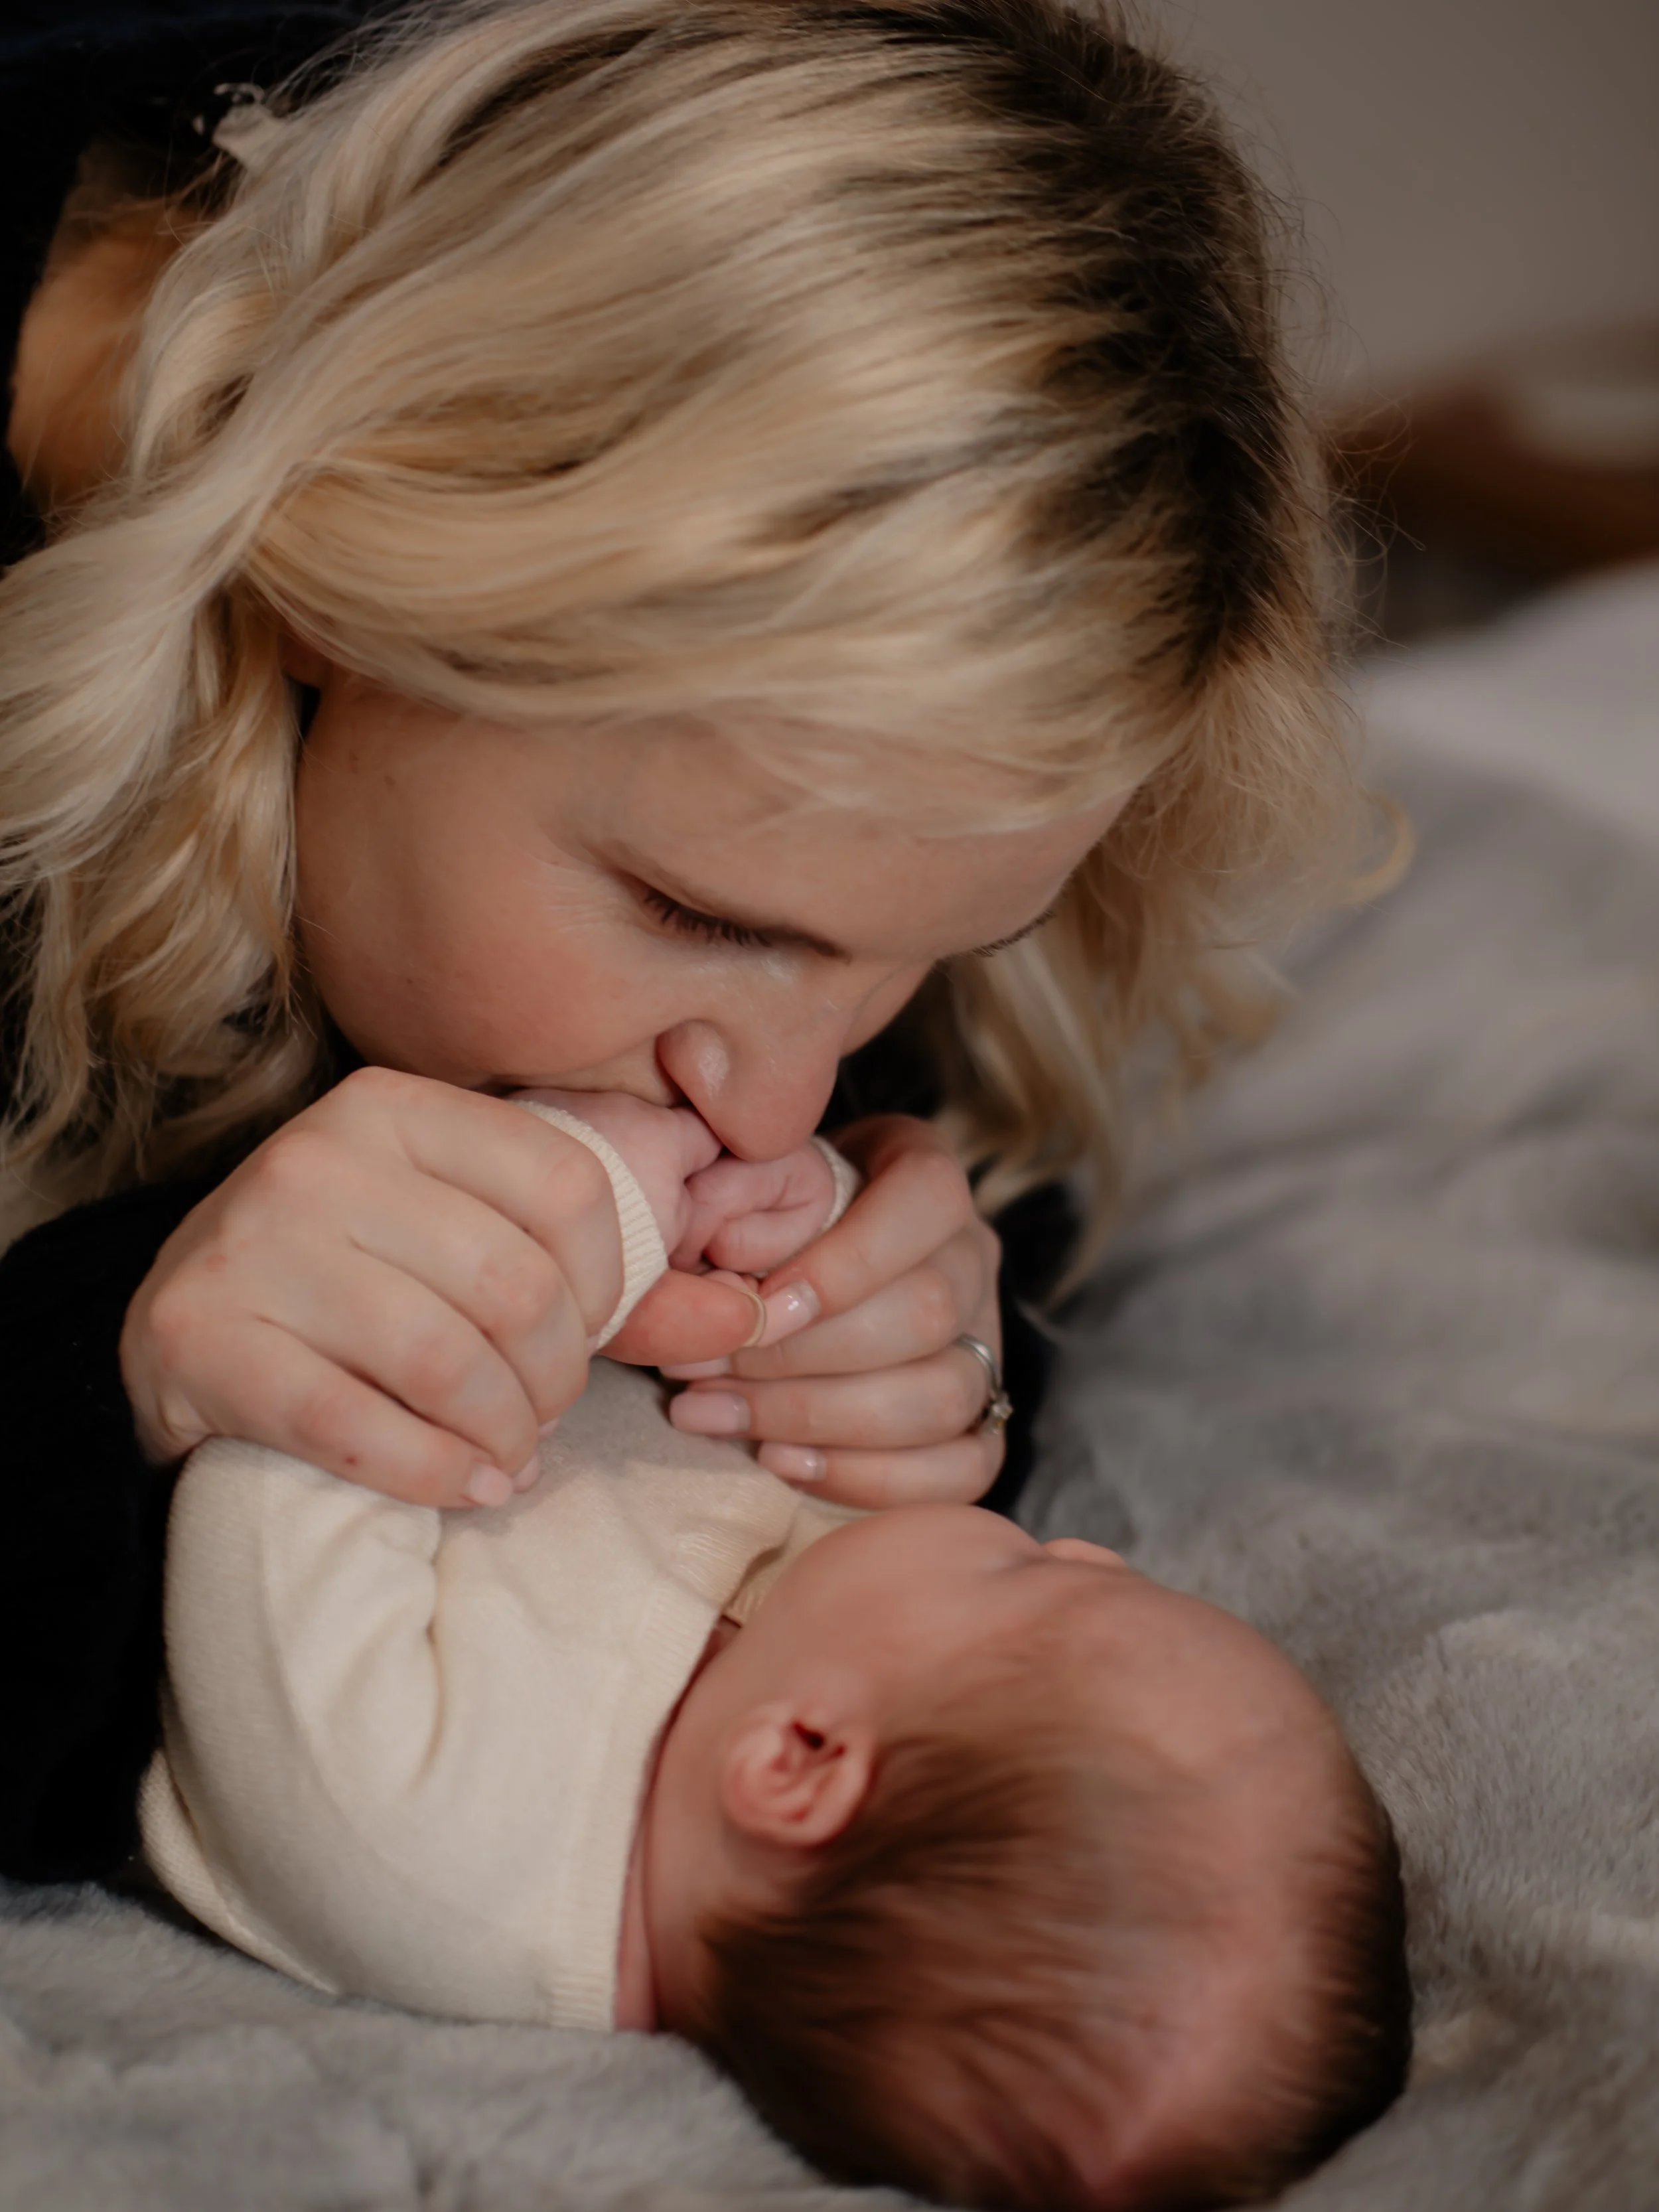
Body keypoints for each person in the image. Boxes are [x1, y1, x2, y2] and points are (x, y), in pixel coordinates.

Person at [0, 0, 1374, 1891]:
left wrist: (927, 1362)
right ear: (321, 572)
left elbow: (945, 1118)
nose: (778, 1097)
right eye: (699, 918)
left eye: (919, 952)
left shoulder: (814, 807)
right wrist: (101, 1374)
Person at [142, 1088, 1411, 2211]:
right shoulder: (831, 1636)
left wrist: (580, 1207)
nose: (1087, 1549)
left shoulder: (425, 1852)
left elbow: (284, 1482)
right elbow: (825, 1355)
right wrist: (800, 1220)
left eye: (1035, 1581)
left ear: (801, 1765)